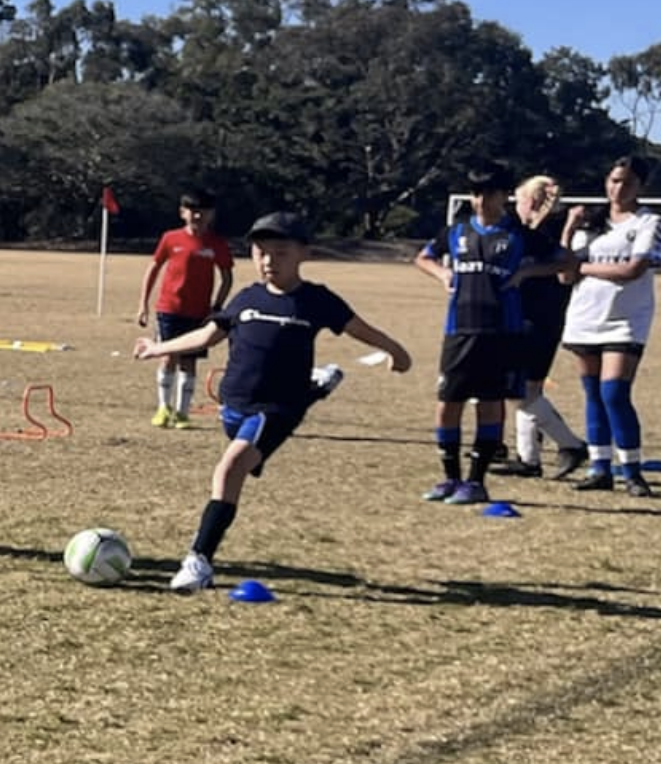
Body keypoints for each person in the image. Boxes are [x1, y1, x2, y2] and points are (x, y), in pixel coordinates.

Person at [133, 212, 411, 593]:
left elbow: (359, 329)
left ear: (303, 254)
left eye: (280, 253)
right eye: (261, 252)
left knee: (228, 470)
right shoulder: (246, 298)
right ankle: (316, 386)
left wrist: (394, 349)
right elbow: (206, 336)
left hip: (276, 408)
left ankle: (199, 561)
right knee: (241, 457)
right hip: (234, 405)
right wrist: (156, 348)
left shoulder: (316, 300)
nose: (268, 261)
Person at [414, 162, 571, 506]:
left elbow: (566, 261)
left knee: (490, 404)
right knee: (447, 404)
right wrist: (441, 274)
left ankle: (476, 482)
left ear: (503, 196)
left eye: (489, 193)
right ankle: (449, 478)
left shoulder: (518, 235)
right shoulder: (456, 232)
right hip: (460, 331)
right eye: (476, 193)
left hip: (501, 333)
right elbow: (423, 257)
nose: (481, 200)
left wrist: (528, 272)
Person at [557, 155, 660, 497]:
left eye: (628, 182)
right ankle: (600, 467)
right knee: (593, 393)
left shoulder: (647, 222)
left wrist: (583, 267)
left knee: (614, 392)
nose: (619, 188)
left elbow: (632, 270)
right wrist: (570, 229)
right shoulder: (589, 222)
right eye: (614, 180)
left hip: (625, 320)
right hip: (586, 317)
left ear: (640, 186)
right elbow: (563, 273)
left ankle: (631, 470)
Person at [489, 175, 587, 479]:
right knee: (526, 388)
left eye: (517, 200)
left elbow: (565, 268)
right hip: (526, 316)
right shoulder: (525, 231)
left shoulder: (549, 231)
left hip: (540, 319)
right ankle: (528, 458)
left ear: (529, 201)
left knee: (522, 390)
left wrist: (530, 271)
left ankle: (571, 444)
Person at [136, 191, 234, 429]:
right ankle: (163, 407)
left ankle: (181, 412)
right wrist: (143, 304)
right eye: (192, 210)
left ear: (212, 215)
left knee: (189, 361)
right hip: (169, 308)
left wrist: (217, 307)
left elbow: (227, 277)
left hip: (199, 312)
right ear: (182, 213)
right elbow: (154, 267)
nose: (198, 215)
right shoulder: (171, 238)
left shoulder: (216, 244)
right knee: (167, 355)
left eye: (204, 211)